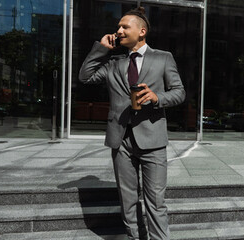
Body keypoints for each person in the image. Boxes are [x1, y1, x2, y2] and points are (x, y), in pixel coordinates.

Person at [78, 7, 185, 240]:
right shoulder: (113, 63)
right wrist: (101, 49)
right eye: (119, 27)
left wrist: (157, 98)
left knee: (155, 201)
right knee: (128, 200)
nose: (119, 30)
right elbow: (85, 76)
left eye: (125, 26)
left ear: (142, 31)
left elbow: (179, 93)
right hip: (121, 139)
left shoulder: (163, 58)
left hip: (153, 139)